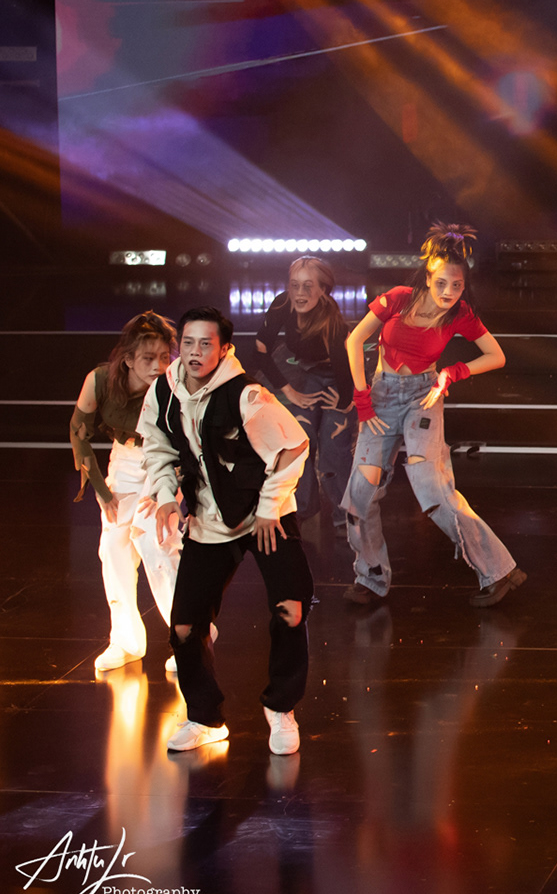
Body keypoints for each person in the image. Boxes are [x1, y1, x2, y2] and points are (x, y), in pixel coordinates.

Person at [140, 307, 312, 754]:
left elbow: (294, 446)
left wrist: (270, 508)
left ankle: (281, 709)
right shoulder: (164, 391)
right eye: (188, 343)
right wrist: (165, 496)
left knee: (290, 608)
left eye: (206, 344)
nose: (196, 352)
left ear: (224, 349)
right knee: (183, 627)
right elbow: (156, 447)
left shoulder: (247, 395)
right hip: (209, 520)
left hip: (263, 514)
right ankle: (205, 718)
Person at [341, 224, 524, 607]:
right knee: (360, 492)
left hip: (423, 398)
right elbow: (354, 340)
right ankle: (370, 577)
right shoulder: (397, 299)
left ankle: (498, 571)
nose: (448, 292)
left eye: (456, 285)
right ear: (427, 277)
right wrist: (362, 399)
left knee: (433, 490)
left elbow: (497, 355)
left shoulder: (460, 314)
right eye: (441, 283)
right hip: (381, 397)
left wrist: (452, 372)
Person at [70, 312, 180, 673]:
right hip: (125, 458)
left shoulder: (174, 383)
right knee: (113, 546)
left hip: (164, 458)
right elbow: (79, 429)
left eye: (163, 357)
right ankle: (125, 640)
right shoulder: (101, 380)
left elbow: (190, 438)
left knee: (155, 541)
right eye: (148, 358)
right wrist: (102, 492)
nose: (158, 366)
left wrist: (170, 489)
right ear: (128, 359)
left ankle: (190, 637)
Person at [248, 256, 357, 540]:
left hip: (337, 375)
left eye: (308, 286)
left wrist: (345, 401)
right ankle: (304, 507)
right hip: (302, 371)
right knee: (300, 438)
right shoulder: (283, 304)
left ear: (323, 289)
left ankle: (344, 515)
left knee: (333, 445)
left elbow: (344, 367)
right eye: (295, 285)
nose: (300, 293)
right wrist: (289, 391)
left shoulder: (331, 319)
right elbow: (260, 349)